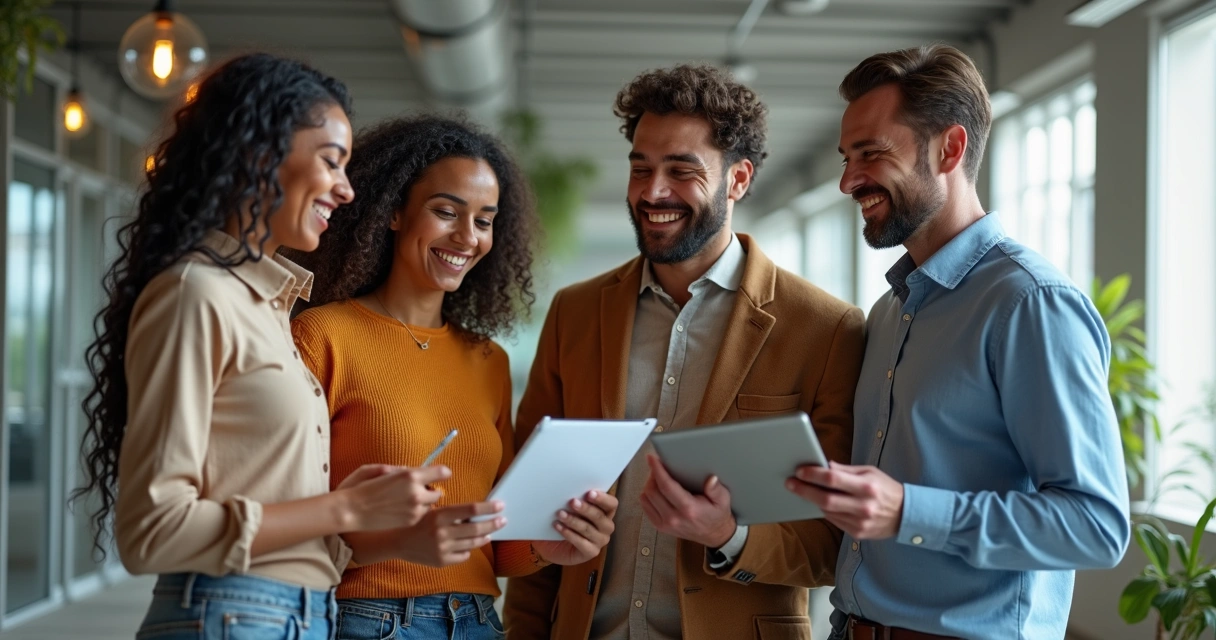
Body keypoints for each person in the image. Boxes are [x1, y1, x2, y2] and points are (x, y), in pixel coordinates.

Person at [74, 54, 450, 640]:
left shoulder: (268, 307)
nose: (347, 189)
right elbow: (151, 531)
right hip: (230, 615)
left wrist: (369, 524)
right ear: (259, 155)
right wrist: (343, 509)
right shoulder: (196, 294)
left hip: (296, 615)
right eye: (331, 161)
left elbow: (271, 522)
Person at [502, 64, 866, 640]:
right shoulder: (575, 313)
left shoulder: (825, 329)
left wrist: (729, 536)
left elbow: (835, 546)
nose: (653, 192)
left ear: (738, 179)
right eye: (640, 169)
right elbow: (531, 512)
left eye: (681, 170)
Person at [785, 44, 1130, 640]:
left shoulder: (1029, 303)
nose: (847, 181)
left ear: (949, 148)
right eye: (847, 158)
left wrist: (909, 511)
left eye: (871, 153)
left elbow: (1095, 525)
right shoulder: (889, 312)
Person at [290, 115, 618, 640]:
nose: (467, 237)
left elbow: (497, 544)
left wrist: (548, 545)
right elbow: (288, 520)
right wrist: (398, 542)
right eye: (446, 212)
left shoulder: (488, 360)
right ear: (393, 211)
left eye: (484, 221)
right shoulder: (322, 337)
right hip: (365, 620)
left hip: (477, 621)